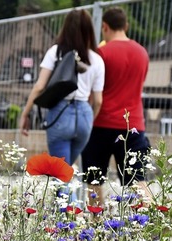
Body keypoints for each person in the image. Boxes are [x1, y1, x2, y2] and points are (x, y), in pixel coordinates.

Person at [80, 6, 150, 205]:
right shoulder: (142, 53)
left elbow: (94, 92)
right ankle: (151, 226)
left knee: (94, 180)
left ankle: (96, 229)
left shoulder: (100, 53)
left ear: (104, 27)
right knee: (137, 181)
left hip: (101, 123)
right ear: (126, 26)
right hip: (133, 125)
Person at [20, 9, 104, 166]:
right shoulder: (97, 60)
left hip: (61, 113)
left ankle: (64, 191)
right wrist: (89, 121)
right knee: (67, 170)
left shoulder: (55, 52)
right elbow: (98, 101)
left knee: (60, 174)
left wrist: (25, 114)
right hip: (85, 115)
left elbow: (39, 87)